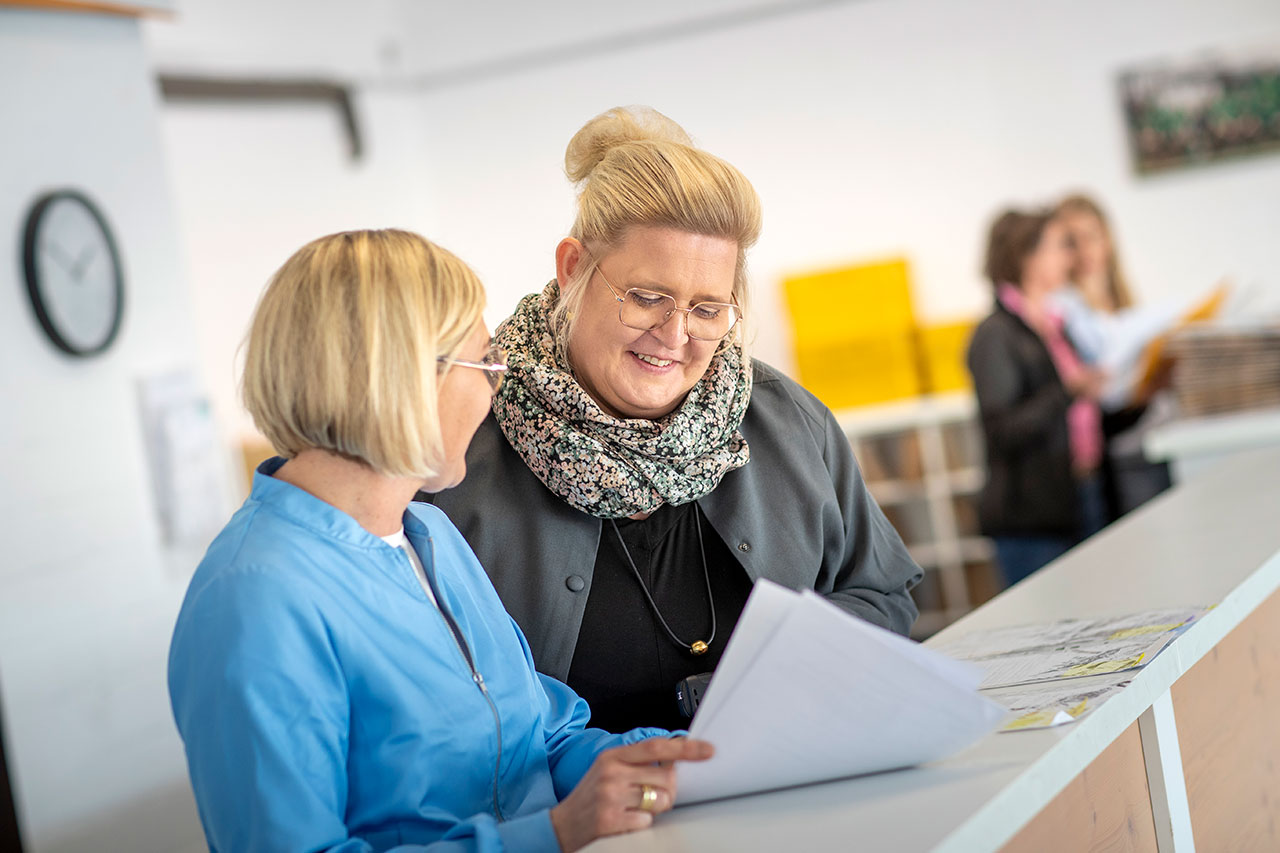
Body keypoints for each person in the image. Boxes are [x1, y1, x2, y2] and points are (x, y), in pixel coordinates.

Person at [167, 229, 712, 853]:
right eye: (485, 364)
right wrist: (552, 835)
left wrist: (683, 756)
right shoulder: (256, 600)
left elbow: (543, 739)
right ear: (399, 377)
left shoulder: (432, 536)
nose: (493, 390)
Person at [428, 106, 922, 734]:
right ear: (573, 268)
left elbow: (882, 591)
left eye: (708, 309)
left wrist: (792, 675)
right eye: (647, 298)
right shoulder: (462, 451)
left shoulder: (785, 422)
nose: (675, 334)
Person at [967, 209, 1110, 587]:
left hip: (1079, 494)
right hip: (1032, 519)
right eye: (1058, 247)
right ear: (1026, 258)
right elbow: (1003, 429)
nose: (1069, 257)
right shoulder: (996, 335)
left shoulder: (1054, 324)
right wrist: (1069, 391)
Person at [1054, 193, 1212, 515]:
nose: (1085, 251)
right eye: (1072, 241)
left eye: (1092, 237)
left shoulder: (1121, 301)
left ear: (1108, 240)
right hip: (1110, 460)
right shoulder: (1061, 310)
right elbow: (1096, 393)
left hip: (1149, 438)